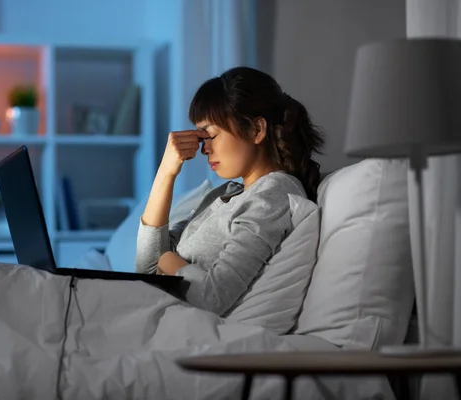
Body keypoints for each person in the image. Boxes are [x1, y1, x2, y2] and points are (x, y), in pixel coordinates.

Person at [136, 66, 324, 317]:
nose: (205, 149)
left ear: (257, 130)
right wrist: (166, 172)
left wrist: (173, 265)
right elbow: (147, 268)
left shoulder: (272, 195)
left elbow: (213, 296)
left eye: (211, 135)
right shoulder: (228, 193)